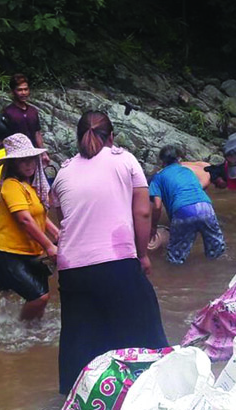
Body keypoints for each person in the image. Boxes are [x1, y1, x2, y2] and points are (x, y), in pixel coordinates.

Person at [50, 111, 169, 394]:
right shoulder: (124, 160)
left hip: (71, 271)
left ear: (78, 139)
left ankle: (76, 399)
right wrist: (142, 255)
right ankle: (151, 390)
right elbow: (143, 212)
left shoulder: (63, 172)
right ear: (112, 137)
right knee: (144, 332)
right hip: (116, 261)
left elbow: (63, 219)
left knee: (80, 339)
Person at [0, 134, 60, 320]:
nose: (28, 164)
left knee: (42, 299)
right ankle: (21, 332)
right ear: (12, 163)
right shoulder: (11, 185)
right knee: (39, 298)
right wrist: (49, 246)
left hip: (32, 252)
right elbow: (25, 220)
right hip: (9, 254)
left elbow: (38, 215)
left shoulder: (30, 185)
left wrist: (56, 233)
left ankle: (32, 333)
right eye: (22, 161)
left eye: (31, 159)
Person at [149, 145, 226, 265]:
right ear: (179, 159)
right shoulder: (188, 171)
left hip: (183, 211)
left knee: (176, 255)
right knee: (216, 249)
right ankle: (214, 272)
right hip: (205, 207)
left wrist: (153, 226)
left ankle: (176, 278)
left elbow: (157, 206)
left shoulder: (157, 178)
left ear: (162, 161)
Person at [2, 73, 48, 156]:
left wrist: (43, 153)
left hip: (34, 152)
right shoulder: (8, 112)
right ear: (13, 92)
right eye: (20, 90)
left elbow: (37, 133)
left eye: (26, 89)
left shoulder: (33, 111)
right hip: (17, 155)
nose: (23, 93)